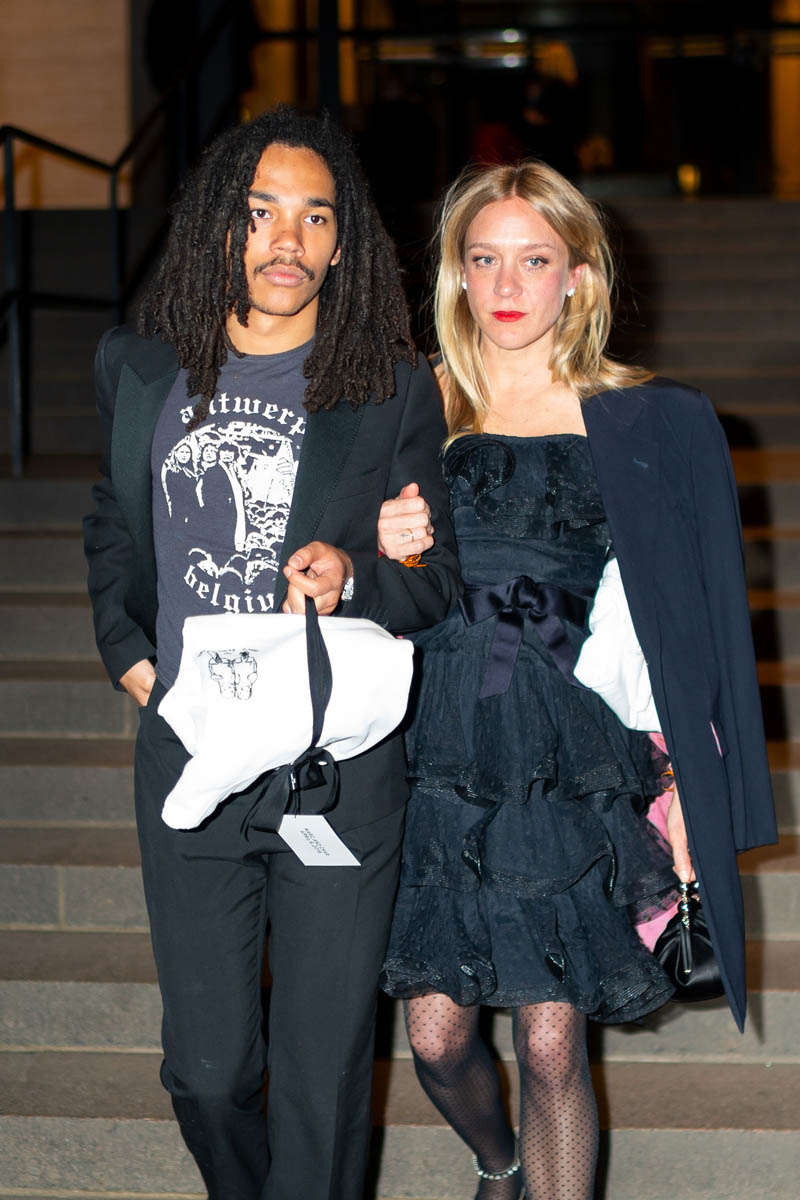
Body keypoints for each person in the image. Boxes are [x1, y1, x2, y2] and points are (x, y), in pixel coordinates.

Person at [377, 161, 776, 1200]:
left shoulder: (645, 420)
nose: (507, 285)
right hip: (430, 745)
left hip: (565, 748)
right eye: (483, 259)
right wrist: (381, 545)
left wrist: (687, 786)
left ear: (579, 276)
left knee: (552, 1045)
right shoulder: (411, 403)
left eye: (534, 260)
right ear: (457, 275)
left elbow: (682, 625)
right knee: (435, 1039)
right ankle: (498, 1162)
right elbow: (343, 573)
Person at [82, 105, 460, 1200]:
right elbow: (112, 521)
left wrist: (356, 577)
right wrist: (126, 648)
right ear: (219, 226)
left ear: (342, 245)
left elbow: (431, 579)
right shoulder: (140, 367)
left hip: (331, 770)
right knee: (207, 1075)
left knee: (322, 1080)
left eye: (314, 217)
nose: (286, 240)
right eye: (260, 214)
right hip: (193, 754)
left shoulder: (388, 387)